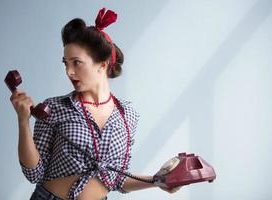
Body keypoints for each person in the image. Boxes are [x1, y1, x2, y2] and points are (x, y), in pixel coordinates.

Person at [10, 8, 181, 200]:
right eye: (65, 63)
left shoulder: (128, 116)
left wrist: (157, 181)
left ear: (103, 64)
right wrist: (23, 121)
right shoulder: (54, 108)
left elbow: (117, 180)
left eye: (76, 62)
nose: (69, 71)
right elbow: (34, 174)